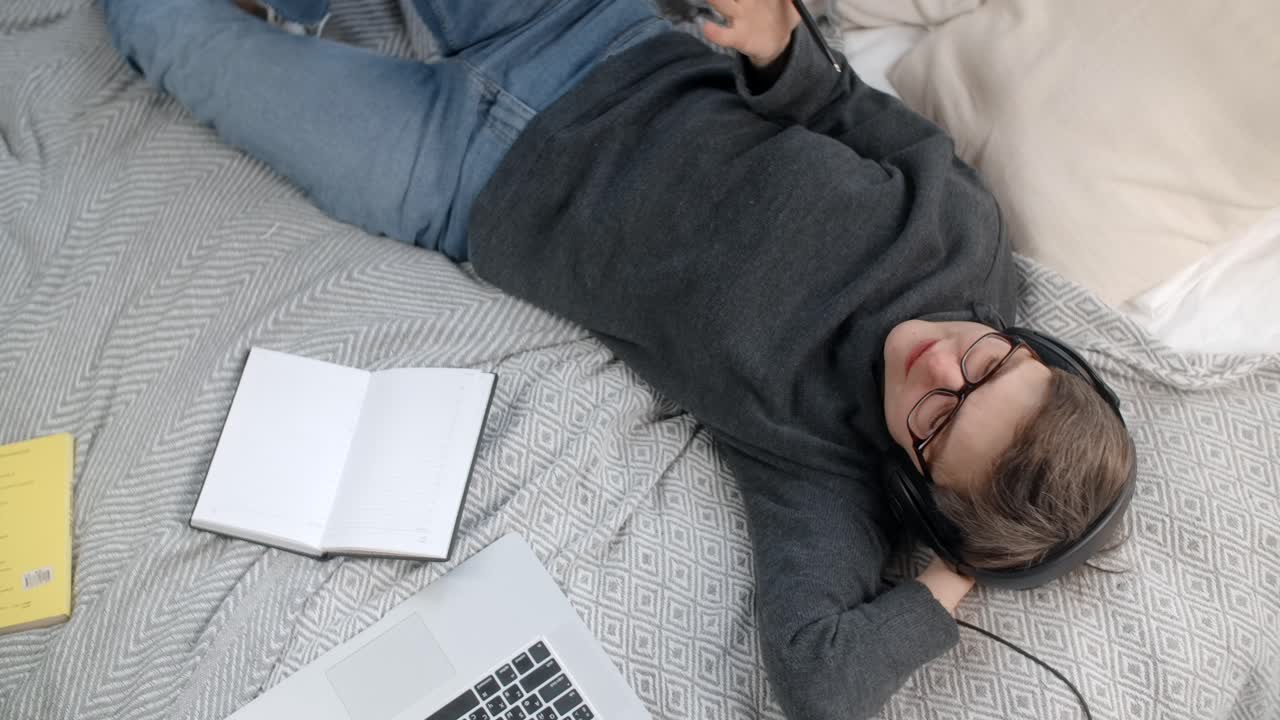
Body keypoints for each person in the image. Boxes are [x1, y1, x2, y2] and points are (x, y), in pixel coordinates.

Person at [101, 0, 1138, 718]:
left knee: (150, 26)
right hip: (592, 35)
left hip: (460, 178)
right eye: (992, 367)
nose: (940, 369)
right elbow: (833, 107)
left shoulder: (822, 472)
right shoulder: (963, 238)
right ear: (1038, 352)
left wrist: (959, 572)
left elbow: (821, 683)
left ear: (913, 481)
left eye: (941, 424)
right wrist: (780, 46)